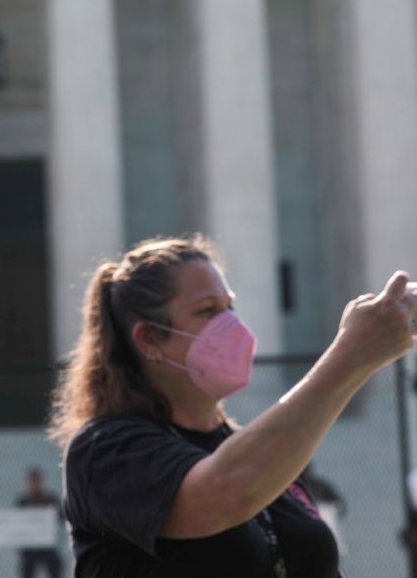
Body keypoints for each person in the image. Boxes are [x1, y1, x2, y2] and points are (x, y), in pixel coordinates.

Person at [50, 235, 413, 577]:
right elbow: (225, 495)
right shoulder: (106, 450)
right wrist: (351, 356)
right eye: (208, 311)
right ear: (149, 338)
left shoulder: (256, 454)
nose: (231, 324)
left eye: (230, 307)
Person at [14, 467, 62, 578]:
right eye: (33, 482)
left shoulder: (50, 500)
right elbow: (16, 523)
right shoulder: (23, 502)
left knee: (56, 568)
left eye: (37, 481)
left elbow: (60, 518)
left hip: (48, 547)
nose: (35, 484)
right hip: (30, 548)